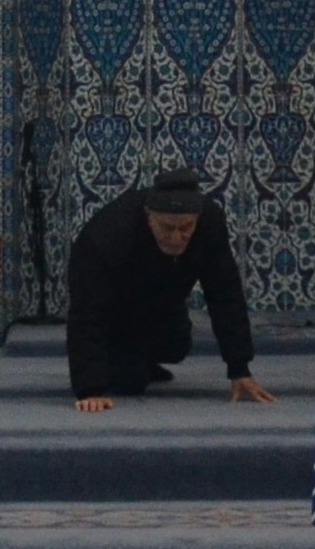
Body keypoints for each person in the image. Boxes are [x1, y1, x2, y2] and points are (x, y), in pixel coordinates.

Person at [62, 167, 274, 411]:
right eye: (167, 228)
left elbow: (225, 294)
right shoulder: (108, 235)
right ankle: (124, 359)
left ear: (197, 218)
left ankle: (140, 358)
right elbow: (87, 314)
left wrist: (240, 368)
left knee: (176, 344)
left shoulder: (210, 223)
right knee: (128, 381)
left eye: (185, 228)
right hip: (115, 309)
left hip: (161, 301)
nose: (176, 238)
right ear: (149, 216)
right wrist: (90, 389)